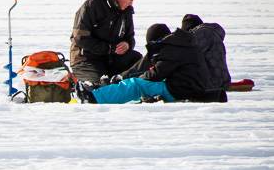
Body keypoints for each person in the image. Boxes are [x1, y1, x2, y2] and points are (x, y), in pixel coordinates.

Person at [78, 23, 227, 104]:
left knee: (135, 86)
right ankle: (103, 94)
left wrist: (138, 80)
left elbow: (157, 73)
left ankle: (93, 98)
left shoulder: (172, 48)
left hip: (180, 90)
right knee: (141, 83)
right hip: (189, 88)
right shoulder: (182, 43)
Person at [69, 0, 143, 87]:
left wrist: (127, 45)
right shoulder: (92, 6)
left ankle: (129, 89)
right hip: (86, 59)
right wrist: (110, 48)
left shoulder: (126, 12)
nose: (131, 4)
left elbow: (130, 37)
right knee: (100, 87)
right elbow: (80, 39)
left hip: (111, 59)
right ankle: (80, 86)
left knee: (138, 62)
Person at [181, 14, 231, 90]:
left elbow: (187, 57)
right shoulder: (210, 33)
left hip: (212, 83)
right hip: (221, 80)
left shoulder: (202, 34)